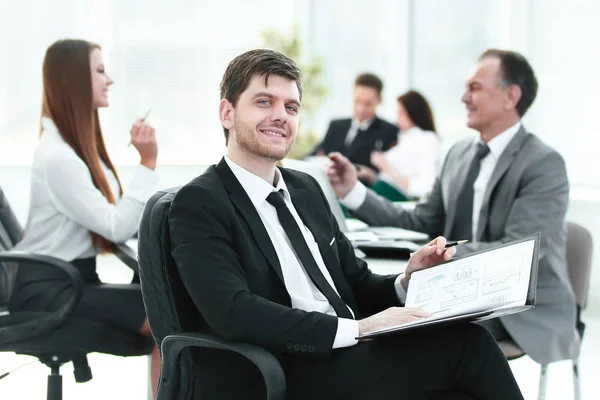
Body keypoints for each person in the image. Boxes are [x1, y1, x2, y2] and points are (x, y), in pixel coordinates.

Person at [168, 49, 524, 400]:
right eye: (264, 102)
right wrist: (355, 329)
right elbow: (232, 312)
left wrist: (406, 281)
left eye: (291, 107)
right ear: (227, 112)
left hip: (346, 353)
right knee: (468, 348)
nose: (281, 116)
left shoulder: (306, 188)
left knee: (460, 371)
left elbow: (354, 281)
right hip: (285, 366)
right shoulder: (201, 202)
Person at [328, 49, 580, 366]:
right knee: (381, 316)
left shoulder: (544, 163)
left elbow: (520, 250)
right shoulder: (458, 154)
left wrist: (443, 258)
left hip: (524, 304)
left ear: (510, 96)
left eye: (474, 88)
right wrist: (353, 191)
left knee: (424, 335)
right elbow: (420, 218)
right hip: (463, 288)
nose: (463, 97)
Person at [8, 39, 161, 395]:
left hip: (65, 281)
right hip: (50, 289)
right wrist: (148, 162)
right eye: (100, 70)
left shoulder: (67, 150)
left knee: (166, 306)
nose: (110, 80)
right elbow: (116, 225)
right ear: (74, 78)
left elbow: (112, 220)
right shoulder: (57, 157)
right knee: (167, 317)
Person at [309, 73, 397, 183]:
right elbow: (316, 153)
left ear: (379, 100)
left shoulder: (388, 131)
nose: (361, 109)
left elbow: (387, 172)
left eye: (368, 104)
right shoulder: (336, 126)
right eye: (357, 101)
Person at [367, 90, 440, 200]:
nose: (398, 118)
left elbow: (425, 186)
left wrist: (387, 168)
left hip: (395, 195)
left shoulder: (426, 139)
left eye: (401, 113)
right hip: (381, 189)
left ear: (413, 113)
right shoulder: (403, 138)